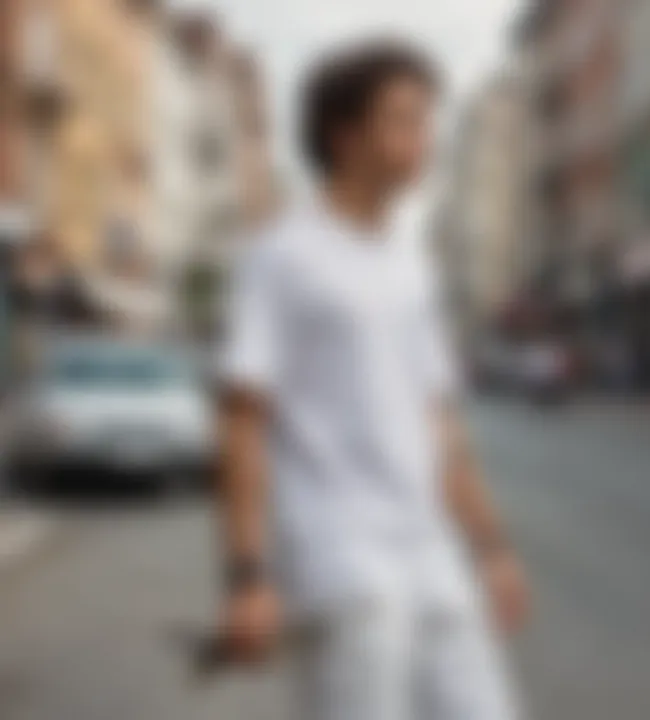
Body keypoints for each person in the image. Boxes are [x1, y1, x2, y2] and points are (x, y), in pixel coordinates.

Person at [215, 39, 529, 720]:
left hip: (427, 546)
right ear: (346, 134)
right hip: (341, 556)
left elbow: (437, 417)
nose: (426, 138)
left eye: (428, 120)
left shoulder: (408, 264)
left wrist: (491, 545)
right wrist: (247, 574)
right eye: (405, 119)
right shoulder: (281, 255)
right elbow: (242, 416)